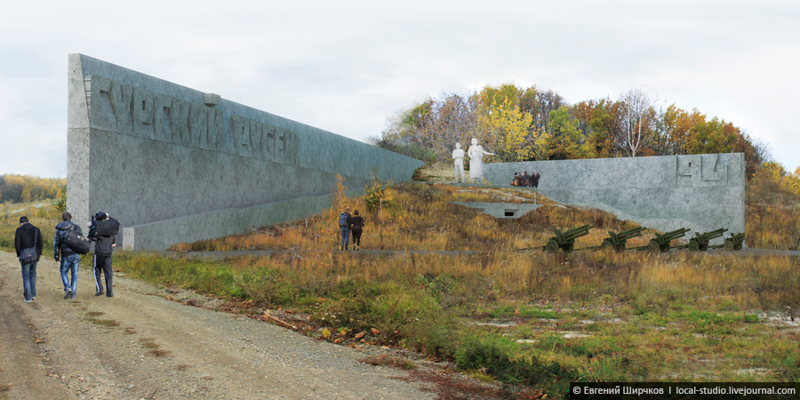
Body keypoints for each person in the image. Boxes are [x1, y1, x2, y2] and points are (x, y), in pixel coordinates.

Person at [15, 216, 43, 302]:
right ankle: (33, 294)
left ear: (21, 222)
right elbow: (40, 243)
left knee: (26, 276)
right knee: (33, 275)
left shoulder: (19, 230)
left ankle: (28, 297)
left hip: (25, 257)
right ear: (28, 221)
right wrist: (39, 254)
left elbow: (17, 245)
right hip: (35, 256)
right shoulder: (36, 229)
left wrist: (19, 254)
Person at [88, 212, 116, 297]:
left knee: (96, 269)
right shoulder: (111, 231)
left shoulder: (98, 230)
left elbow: (88, 225)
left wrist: (95, 220)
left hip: (99, 252)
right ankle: (110, 292)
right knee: (108, 272)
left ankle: (99, 289)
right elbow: (114, 244)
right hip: (108, 253)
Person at [54, 211, 81, 300]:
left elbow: (56, 244)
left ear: (63, 218)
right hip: (75, 254)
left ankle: (67, 287)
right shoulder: (76, 227)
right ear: (70, 218)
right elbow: (80, 240)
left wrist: (57, 256)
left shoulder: (59, 229)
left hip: (65, 255)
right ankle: (72, 294)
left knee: (63, 271)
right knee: (75, 274)